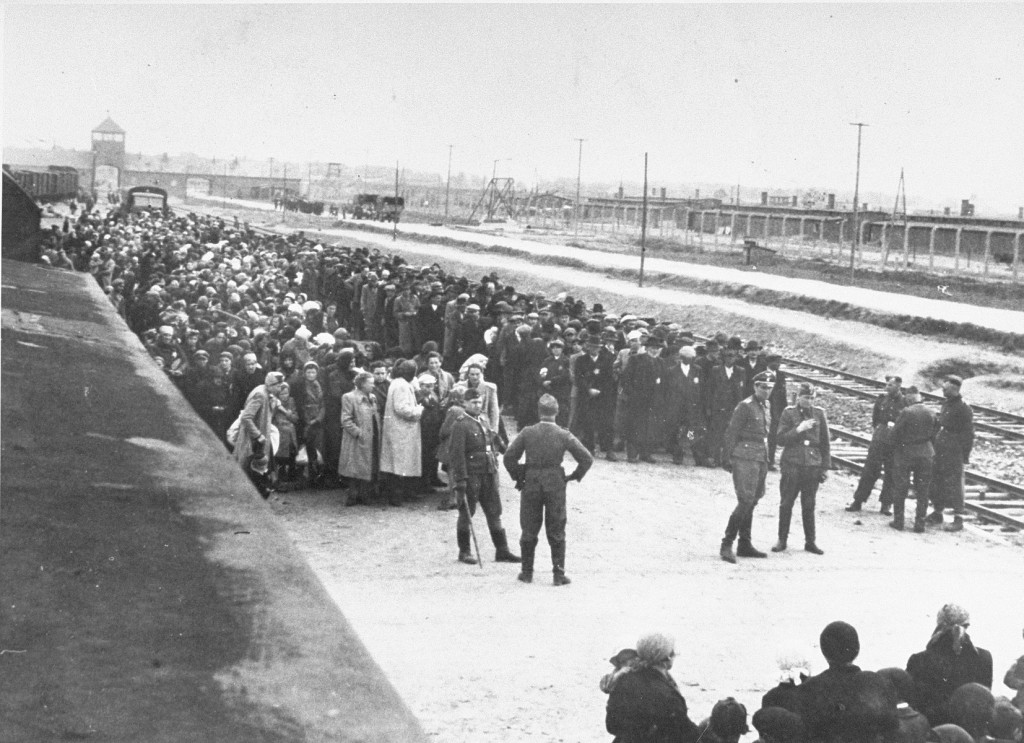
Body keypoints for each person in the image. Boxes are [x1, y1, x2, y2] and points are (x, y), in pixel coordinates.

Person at [503, 394, 593, 585]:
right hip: (555, 485)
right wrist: (574, 476)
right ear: (557, 412)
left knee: (528, 529)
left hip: (532, 483)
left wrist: (520, 476)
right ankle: (558, 575)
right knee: (557, 529)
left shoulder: (528, 432)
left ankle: (527, 573)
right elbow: (587, 458)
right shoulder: (563, 434)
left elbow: (509, 457)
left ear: (538, 411)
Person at [448, 388, 520, 564]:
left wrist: (507, 450)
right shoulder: (460, 424)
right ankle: (464, 552)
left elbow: (493, 440)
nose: (477, 405)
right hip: (471, 475)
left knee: (494, 511)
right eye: (473, 402)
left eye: (479, 402)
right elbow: (456, 455)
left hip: (488, 473)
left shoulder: (484, 419)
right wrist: (461, 479)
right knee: (466, 513)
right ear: (464, 403)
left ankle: (502, 550)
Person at [798, 621, 899, 743]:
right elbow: (892, 728)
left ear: (824, 651)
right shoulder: (880, 683)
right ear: (857, 649)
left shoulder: (809, 689)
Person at [906, 604, 993, 726]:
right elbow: (985, 699)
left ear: (939, 624)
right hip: (973, 730)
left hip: (935, 730)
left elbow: (914, 703)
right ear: (967, 625)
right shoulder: (984, 657)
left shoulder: (919, 660)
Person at [720, 370, 775, 564]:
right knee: (745, 500)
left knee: (753, 500)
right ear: (755, 387)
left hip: (760, 457)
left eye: (770, 388)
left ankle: (745, 543)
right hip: (744, 456)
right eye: (763, 387)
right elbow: (731, 432)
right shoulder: (745, 406)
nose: (766, 391)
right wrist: (726, 457)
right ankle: (727, 544)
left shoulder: (766, 405)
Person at [605, 632, 700, 743]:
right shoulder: (668, 695)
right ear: (667, 657)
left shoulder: (623, 679)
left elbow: (612, 726)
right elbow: (684, 732)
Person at [773, 383, 831, 555]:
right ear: (798, 397)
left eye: (812, 398)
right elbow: (780, 439)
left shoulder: (819, 414)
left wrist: (825, 467)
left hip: (812, 465)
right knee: (786, 503)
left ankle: (810, 542)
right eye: (806, 397)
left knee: (809, 504)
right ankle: (782, 539)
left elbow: (825, 443)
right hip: (792, 463)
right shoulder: (788, 413)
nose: (809, 401)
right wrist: (799, 429)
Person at [847, 376, 906, 514]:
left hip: (894, 442)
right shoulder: (881, 399)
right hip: (879, 439)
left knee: (891, 472)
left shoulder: (904, 403)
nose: (887, 387)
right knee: (869, 470)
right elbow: (875, 419)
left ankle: (886, 504)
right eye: (887, 384)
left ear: (898, 386)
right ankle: (858, 500)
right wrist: (880, 432)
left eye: (890, 385)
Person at [927, 375, 975, 532]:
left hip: (954, 451)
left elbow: (969, 434)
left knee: (955, 484)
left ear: (954, 389)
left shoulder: (963, 408)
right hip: (941, 448)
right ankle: (938, 512)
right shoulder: (947, 403)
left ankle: (958, 518)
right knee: (937, 480)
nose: (943, 390)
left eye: (945, 388)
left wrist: (965, 455)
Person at [889, 386, 936, 532]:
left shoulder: (907, 412)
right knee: (923, 490)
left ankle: (899, 521)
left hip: (906, 453)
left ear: (909, 397)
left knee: (901, 487)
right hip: (926, 453)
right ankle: (919, 523)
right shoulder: (931, 412)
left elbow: (895, 433)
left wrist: (894, 443)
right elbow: (935, 434)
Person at [234, 371, 287, 499]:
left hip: (261, 436)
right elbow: (246, 417)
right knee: (250, 466)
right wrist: (257, 435)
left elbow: (273, 401)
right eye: (278, 386)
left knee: (259, 466)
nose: (280, 388)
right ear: (271, 385)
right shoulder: (260, 395)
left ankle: (258, 493)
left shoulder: (266, 392)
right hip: (253, 438)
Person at [379, 359, 423, 506]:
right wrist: (418, 411)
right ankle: (396, 496)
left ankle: (400, 494)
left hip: (399, 429)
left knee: (398, 462)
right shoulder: (402, 386)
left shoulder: (397, 383)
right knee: (399, 463)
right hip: (401, 429)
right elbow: (401, 408)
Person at [338, 371, 381, 506]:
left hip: (372, 437)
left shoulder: (372, 397)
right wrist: (358, 433)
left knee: (368, 465)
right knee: (355, 467)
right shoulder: (349, 397)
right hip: (356, 440)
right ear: (362, 384)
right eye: (371, 383)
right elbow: (346, 420)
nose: (373, 386)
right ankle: (353, 495)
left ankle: (364, 494)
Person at [572, 334, 617, 459]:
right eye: (592, 347)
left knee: (607, 423)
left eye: (597, 347)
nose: (594, 349)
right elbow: (578, 378)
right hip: (587, 396)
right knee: (588, 422)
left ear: (600, 348)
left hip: (603, 396)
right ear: (587, 347)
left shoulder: (606, 359)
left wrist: (600, 390)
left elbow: (609, 379)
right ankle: (589, 448)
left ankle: (609, 450)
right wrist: (588, 390)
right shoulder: (581, 360)